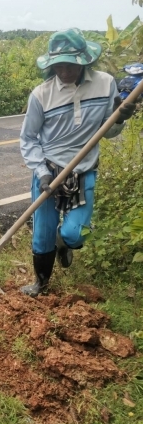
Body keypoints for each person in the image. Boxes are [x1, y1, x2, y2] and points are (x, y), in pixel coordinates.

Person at [19, 28, 136, 297]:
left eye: (70, 64)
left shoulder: (105, 84)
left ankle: (64, 243)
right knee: (42, 233)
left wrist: (120, 118)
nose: (65, 71)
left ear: (84, 60)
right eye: (58, 65)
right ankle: (41, 284)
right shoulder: (41, 94)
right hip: (48, 171)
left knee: (76, 234)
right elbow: (28, 138)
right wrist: (41, 171)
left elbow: (109, 131)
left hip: (83, 170)